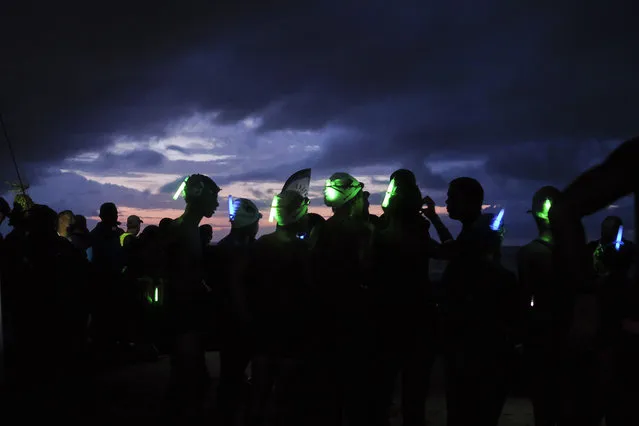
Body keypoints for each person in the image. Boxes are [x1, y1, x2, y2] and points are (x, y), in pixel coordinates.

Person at [164, 173, 220, 420]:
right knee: (190, 377)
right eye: (213, 196)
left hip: (185, 311)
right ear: (199, 194)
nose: (216, 204)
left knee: (187, 375)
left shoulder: (186, 229)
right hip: (184, 312)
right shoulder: (184, 230)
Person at [517, 186, 563, 426]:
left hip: (540, 333)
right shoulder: (574, 252)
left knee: (544, 404)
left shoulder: (528, 253)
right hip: (567, 332)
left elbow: (525, 299)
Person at [215, 197, 262, 424]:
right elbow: (235, 287)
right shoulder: (239, 251)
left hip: (227, 320)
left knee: (230, 374)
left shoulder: (225, 246)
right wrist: (246, 319)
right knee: (232, 375)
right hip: (237, 322)